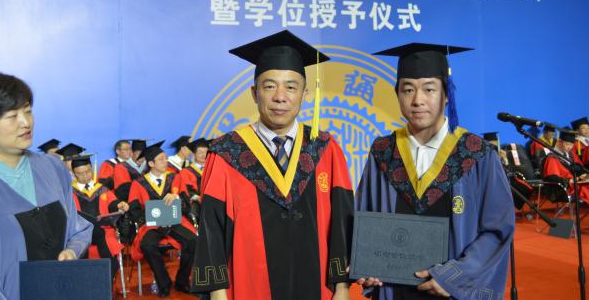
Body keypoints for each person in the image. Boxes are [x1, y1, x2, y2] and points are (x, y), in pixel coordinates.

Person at [190, 30, 354, 300]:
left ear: (305, 94)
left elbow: (342, 224)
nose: (280, 97)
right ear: (254, 93)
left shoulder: (325, 148)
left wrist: (342, 287)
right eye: (269, 86)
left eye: (291, 87)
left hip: (316, 288)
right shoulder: (227, 152)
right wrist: (218, 295)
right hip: (249, 289)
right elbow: (212, 231)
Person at [356, 43, 515, 299]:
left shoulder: (476, 153)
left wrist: (455, 277)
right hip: (394, 291)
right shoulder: (383, 152)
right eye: (408, 90)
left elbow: (497, 230)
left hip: (450, 292)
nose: (417, 100)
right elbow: (364, 218)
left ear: (446, 94)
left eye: (429, 89)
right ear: (397, 94)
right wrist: (367, 264)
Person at [0, 71, 92, 300]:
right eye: (12, 115)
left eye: (27, 110)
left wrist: (72, 251)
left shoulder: (52, 168)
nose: (25, 122)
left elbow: (78, 228)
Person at [128, 141, 196, 297]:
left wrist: (176, 197)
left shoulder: (175, 178)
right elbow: (135, 210)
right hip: (152, 225)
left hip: (175, 221)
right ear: (151, 163)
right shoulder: (139, 183)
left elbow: (186, 203)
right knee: (147, 245)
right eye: (161, 159)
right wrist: (152, 218)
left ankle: (182, 281)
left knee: (193, 241)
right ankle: (164, 283)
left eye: (166, 158)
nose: (166, 161)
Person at [69, 153, 128, 280]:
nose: (85, 176)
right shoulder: (69, 192)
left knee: (112, 259)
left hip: (103, 230)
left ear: (92, 169)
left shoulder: (102, 189)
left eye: (87, 171)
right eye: (80, 173)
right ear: (74, 174)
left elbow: (113, 203)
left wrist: (120, 205)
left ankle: (105, 284)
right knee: (80, 259)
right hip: (80, 232)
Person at [542, 129, 589, 203]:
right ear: (559, 142)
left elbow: (580, 168)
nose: (569, 147)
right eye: (567, 144)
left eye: (572, 145)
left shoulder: (571, 154)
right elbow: (551, 177)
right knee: (584, 189)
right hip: (562, 188)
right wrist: (568, 181)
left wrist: (583, 175)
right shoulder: (552, 158)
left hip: (575, 184)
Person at [178, 137, 209, 227]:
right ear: (194, 154)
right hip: (196, 205)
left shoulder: (214, 170)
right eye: (200, 152)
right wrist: (196, 197)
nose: (203, 155)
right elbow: (184, 190)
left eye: (206, 152)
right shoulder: (186, 172)